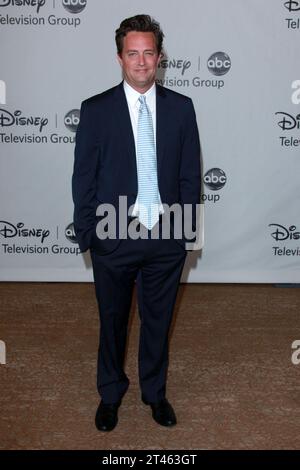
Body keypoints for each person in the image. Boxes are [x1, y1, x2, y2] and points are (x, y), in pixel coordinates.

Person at [72, 14, 201, 431]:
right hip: (113, 236)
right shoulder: (96, 110)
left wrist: (184, 234)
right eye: (133, 53)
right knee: (112, 322)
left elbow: (188, 176)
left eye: (149, 53)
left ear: (160, 57)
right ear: (119, 58)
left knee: (158, 323)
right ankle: (110, 394)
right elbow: (83, 178)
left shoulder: (182, 109)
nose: (141, 62)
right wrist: (91, 235)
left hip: (165, 239)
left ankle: (154, 393)